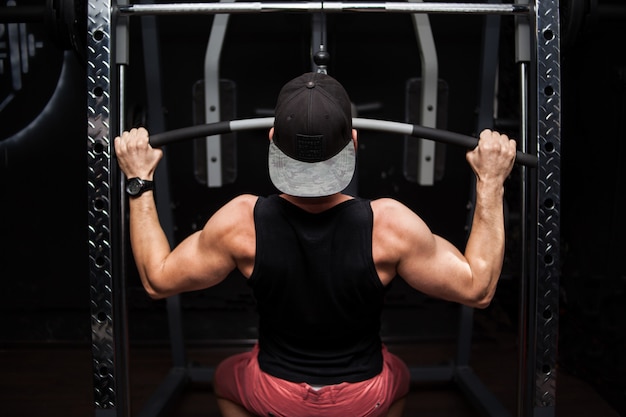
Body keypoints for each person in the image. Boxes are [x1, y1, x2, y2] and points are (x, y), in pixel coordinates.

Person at [114, 71, 517, 417]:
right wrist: (492, 181)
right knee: (400, 377)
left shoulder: (240, 223)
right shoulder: (391, 225)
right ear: (354, 143)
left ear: (273, 140)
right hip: (365, 396)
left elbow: (157, 279)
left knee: (224, 379)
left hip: (275, 391)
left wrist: (138, 178)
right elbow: (477, 288)